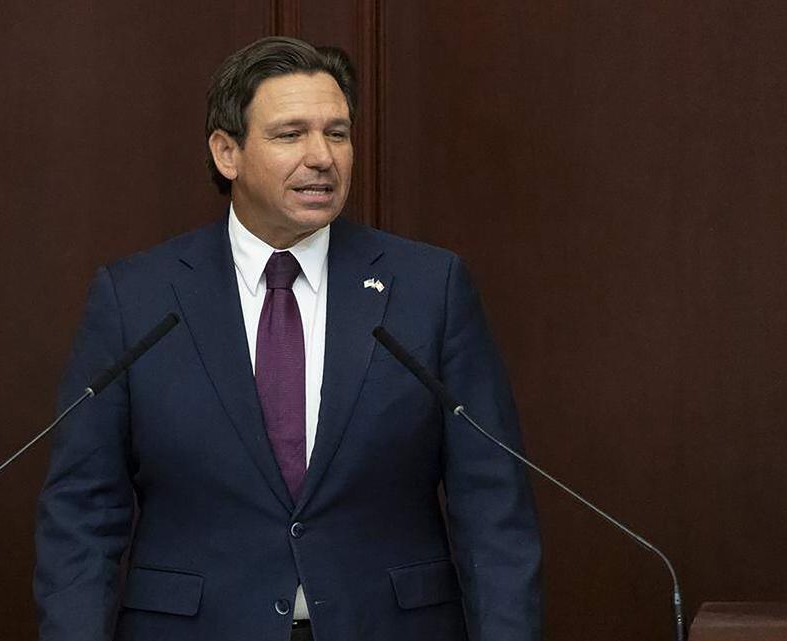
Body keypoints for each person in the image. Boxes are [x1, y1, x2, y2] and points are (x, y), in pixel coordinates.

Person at [34, 36, 542, 641]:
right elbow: (82, 511)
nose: (322, 156)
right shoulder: (136, 298)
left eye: (337, 133)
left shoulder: (430, 288)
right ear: (227, 152)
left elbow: (492, 505)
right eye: (289, 134)